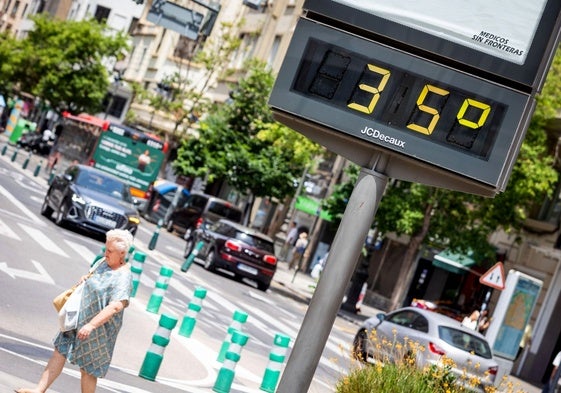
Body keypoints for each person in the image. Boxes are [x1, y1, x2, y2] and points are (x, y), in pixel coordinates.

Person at [16, 229, 134, 393]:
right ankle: (38, 390)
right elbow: (92, 278)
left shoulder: (123, 277)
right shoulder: (102, 263)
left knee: (87, 370)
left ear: (122, 254)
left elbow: (116, 306)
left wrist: (91, 325)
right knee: (59, 352)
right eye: (106, 249)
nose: (106, 253)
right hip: (76, 320)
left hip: (97, 330)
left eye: (110, 251)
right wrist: (85, 279)